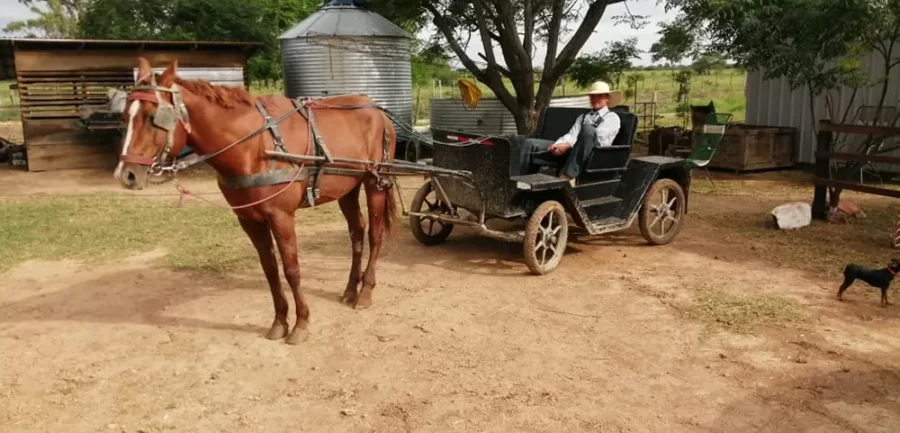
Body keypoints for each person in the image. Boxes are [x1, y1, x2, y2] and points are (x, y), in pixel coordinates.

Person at [520, 81, 623, 185]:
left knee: (588, 129)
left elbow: (599, 139)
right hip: (575, 151)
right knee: (529, 143)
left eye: (599, 96)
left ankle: (568, 176)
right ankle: (523, 180)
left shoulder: (612, 118)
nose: (595, 99)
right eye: (593, 96)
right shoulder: (583, 117)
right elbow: (572, 135)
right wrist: (559, 144)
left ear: (607, 98)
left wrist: (568, 146)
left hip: (596, 155)